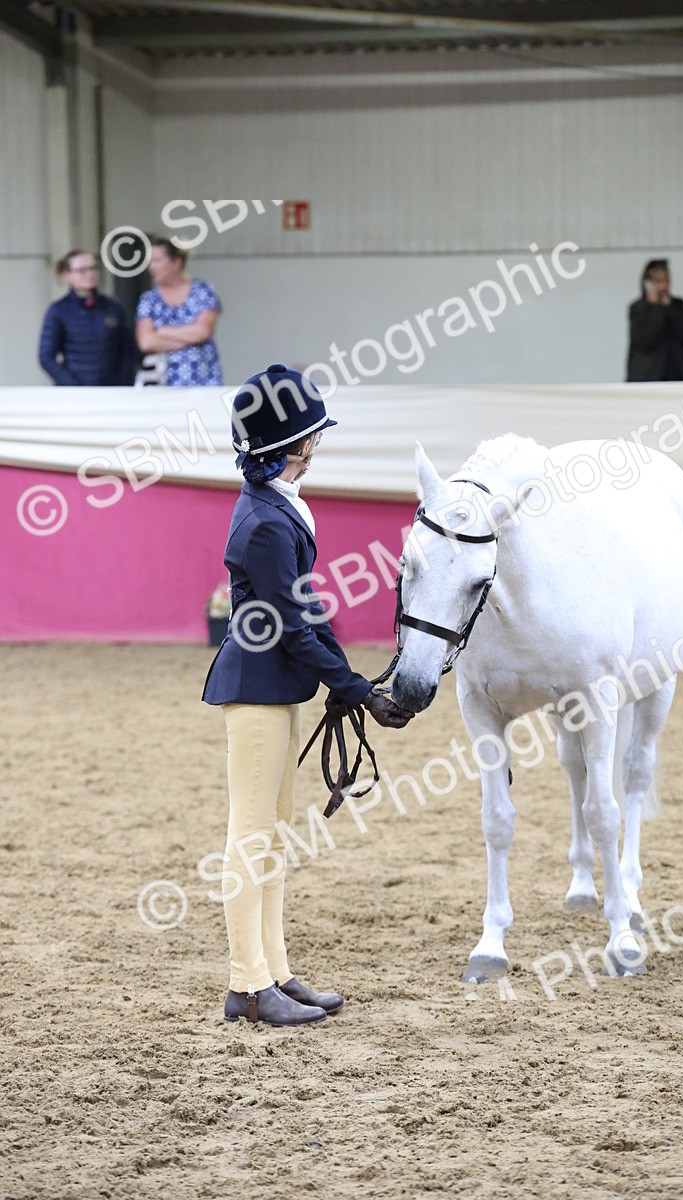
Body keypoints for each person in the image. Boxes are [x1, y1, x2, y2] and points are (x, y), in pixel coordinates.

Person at [202, 363, 414, 1028]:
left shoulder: (276, 506)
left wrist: (353, 680)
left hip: (275, 689)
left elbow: (305, 606)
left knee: (274, 835)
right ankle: (245, 983)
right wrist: (353, 690)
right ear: (296, 446)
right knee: (251, 836)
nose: (316, 444)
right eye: (312, 436)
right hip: (257, 688)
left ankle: (274, 973)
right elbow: (290, 627)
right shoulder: (266, 522)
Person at [38, 250, 135, 386]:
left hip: (113, 390)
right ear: (67, 275)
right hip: (76, 392)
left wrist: (123, 382)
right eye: (82, 270)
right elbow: (46, 357)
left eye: (93, 268)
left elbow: (127, 350)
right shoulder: (58, 310)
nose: (89, 274)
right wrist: (71, 385)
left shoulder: (113, 307)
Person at [135, 238, 222, 386]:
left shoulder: (203, 291)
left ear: (177, 262)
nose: (151, 267)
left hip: (202, 379)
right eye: (150, 262)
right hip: (161, 382)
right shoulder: (149, 299)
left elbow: (202, 332)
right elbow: (146, 342)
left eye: (157, 261)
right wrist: (189, 338)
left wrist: (163, 331)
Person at [626, 258, 683, 382]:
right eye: (657, 282)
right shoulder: (638, 308)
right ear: (647, 284)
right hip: (647, 379)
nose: (663, 286)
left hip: (677, 378)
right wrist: (656, 308)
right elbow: (644, 340)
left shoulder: (678, 306)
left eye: (666, 280)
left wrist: (670, 309)